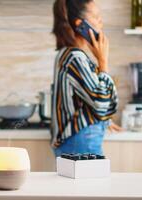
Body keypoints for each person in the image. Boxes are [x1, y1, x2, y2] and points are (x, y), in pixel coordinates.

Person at [51, 0, 121, 157]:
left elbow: (84, 99)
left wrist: (104, 120)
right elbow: (101, 104)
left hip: (79, 141)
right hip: (81, 143)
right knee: (92, 183)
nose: (101, 21)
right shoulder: (75, 57)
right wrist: (103, 62)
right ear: (80, 24)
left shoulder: (69, 54)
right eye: (96, 16)